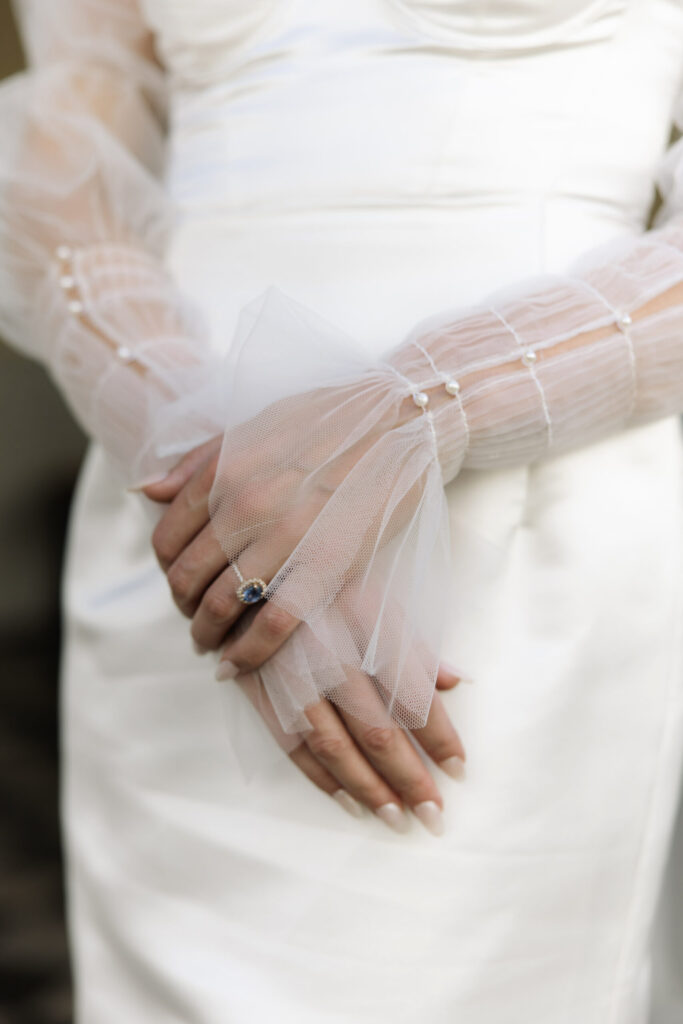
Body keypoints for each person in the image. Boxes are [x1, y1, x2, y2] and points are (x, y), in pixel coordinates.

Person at [1, 0, 683, 1020]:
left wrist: (412, 408)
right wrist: (205, 460)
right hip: (179, 546)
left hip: (516, 534)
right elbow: (66, 148)